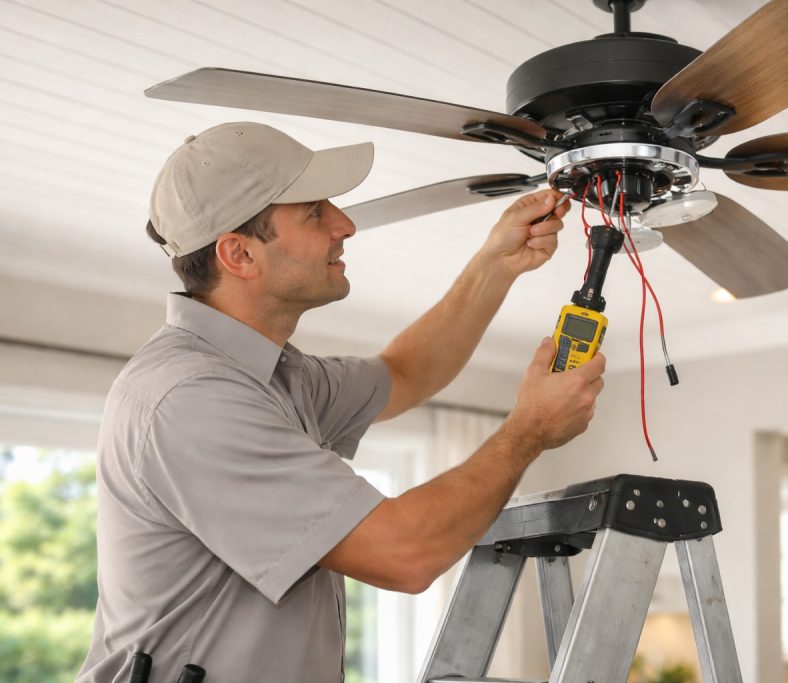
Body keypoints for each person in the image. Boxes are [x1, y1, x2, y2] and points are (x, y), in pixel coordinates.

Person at [75, 122, 605, 683]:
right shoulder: (192, 399)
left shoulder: (275, 378)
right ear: (240, 254)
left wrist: (496, 264)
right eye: (314, 213)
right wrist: (529, 430)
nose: (345, 225)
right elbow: (404, 553)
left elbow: (404, 373)